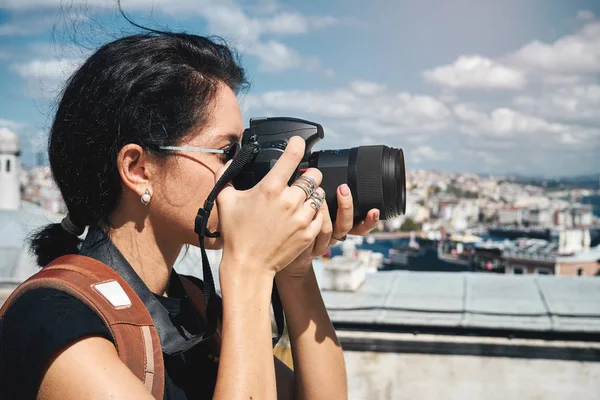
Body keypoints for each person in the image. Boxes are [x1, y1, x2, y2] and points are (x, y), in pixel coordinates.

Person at [0, 31, 380, 399]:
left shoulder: (193, 308)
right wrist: (250, 269)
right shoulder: (57, 323)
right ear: (137, 169)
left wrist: (293, 272)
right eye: (227, 153)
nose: (243, 172)